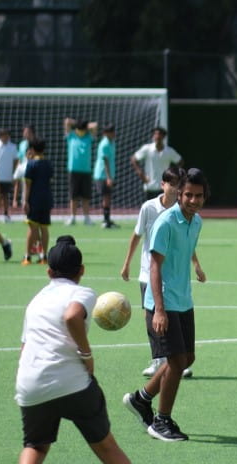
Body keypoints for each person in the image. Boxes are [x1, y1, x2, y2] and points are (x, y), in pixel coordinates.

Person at [9, 235, 166, 464]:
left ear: (48, 271)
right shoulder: (82, 292)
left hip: (31, 383)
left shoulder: (35, 301)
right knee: (107, 447)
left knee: (35, 445)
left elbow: (25, 348)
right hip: (72, 382)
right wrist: (86, 354)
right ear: (81, 270)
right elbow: (71, 316)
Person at [123, 168, 208, 442]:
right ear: (179, 194)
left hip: (183, 300)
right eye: (188, 195)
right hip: (162, 301)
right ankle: (161, 421)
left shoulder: (196, 222)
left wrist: (197, 266)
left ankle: (141, 399)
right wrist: (158, 309)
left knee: (187, 358)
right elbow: (154, 267)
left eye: (199, 196)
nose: (193, 200)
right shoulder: (166, 222)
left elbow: (186, 253)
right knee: (176, 360)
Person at [120, 165, 191, 380]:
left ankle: (177, 361)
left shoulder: (182, 211)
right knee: (152, 315)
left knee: (175, 315)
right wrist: (126, 263)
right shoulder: (148, 208)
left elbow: (187, 241)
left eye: (179, 185)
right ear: (162, 185)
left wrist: (196, 264)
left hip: (173, 273)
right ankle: (158, 360)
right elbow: (137, 236)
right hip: (148, 271)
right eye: (172, 184)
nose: (175, 189)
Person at [20, 140, 55, 266]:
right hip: (46, 199)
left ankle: (27, 256)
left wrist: (25, 201)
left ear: (33, 149)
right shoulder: (48, 164)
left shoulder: (31, 164)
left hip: (34, 200)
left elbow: (28, 184)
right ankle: (44, 256)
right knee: (44, 228)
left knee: (32, 228)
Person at [131, 127, 183, 201]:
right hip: (150, 186)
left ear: (164, 136)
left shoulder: (169, 151)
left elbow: (180, 161)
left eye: (159, 134)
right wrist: (141, 174)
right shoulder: (147, 148)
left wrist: (173, 175)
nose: (157, 136)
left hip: (164, 187)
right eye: (155, 134)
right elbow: (133, 159)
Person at [63, 118, 98, 225]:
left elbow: (95, 125)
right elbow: (67, 121)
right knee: (73, 195)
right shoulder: (71, 135)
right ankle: (72, 217)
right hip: (73, 170)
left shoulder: (89, 136)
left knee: (85, 196)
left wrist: (85, 125)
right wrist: (78, 124)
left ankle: (86, 218)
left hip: (86, 170)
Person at [93, 124, 119, 229]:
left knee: (108, 197)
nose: (113, 133)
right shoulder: (104, 144)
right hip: (102, 175)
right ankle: (105, 220)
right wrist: (108, 178)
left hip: (109, 175)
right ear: (105, 133)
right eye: (110, 131)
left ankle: (107, 219)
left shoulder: (112, 142)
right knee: (106, 197)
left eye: (113, 130)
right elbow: (105, 161)